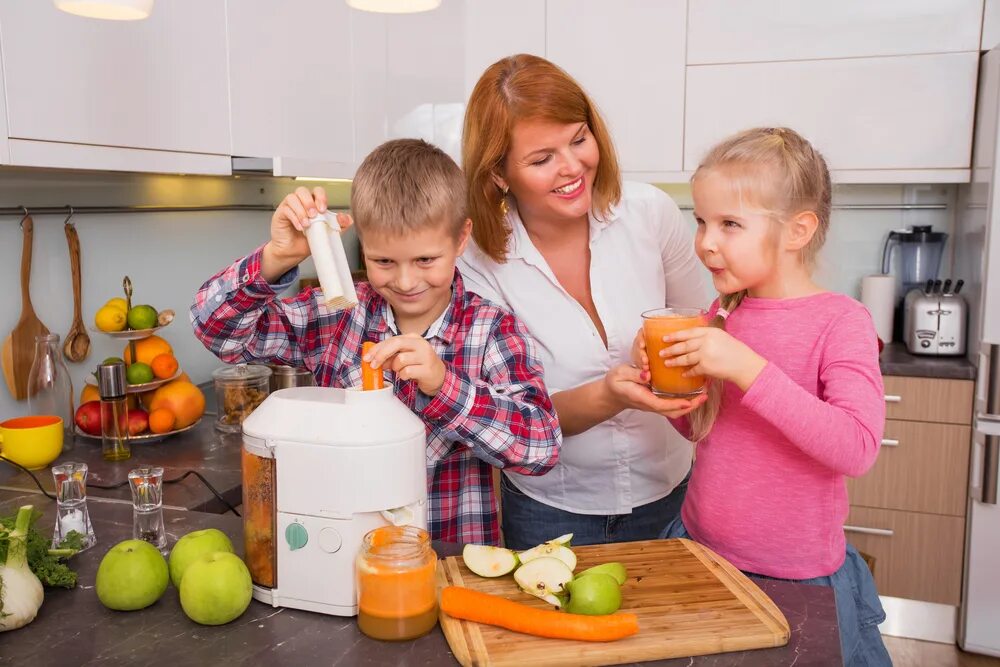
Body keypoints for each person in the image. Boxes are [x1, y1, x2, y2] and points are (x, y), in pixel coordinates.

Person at [191, 138, 561, 546]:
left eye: (425, 260)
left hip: (448, 566)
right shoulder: (338, 316)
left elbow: (540, 447)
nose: (405, 281)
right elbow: (217, 330)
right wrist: (277, 257)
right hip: (346, 560)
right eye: (383, 261)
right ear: (362, 244)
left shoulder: (492, 330)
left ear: (460, 239)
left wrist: (444, 386)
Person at [634, 127, 890, 666]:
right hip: (703, 549)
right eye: (701, 220)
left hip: (796, 573)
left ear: (798, 230)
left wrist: (750, 369)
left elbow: (857, 447)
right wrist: (662, 383)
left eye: (730, 224)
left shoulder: (841, 322)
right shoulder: (721, 314)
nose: (706, 241)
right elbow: (701, 428)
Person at [458, 54, 708, 550]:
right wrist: (612, 392)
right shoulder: (476, 263)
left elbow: (705, 328)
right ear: (499, 174)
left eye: (578, 139)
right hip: (551, 512)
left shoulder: (649, 213)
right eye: (541, 158)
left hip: (674, 493)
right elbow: (509, 419)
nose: (572, 167)